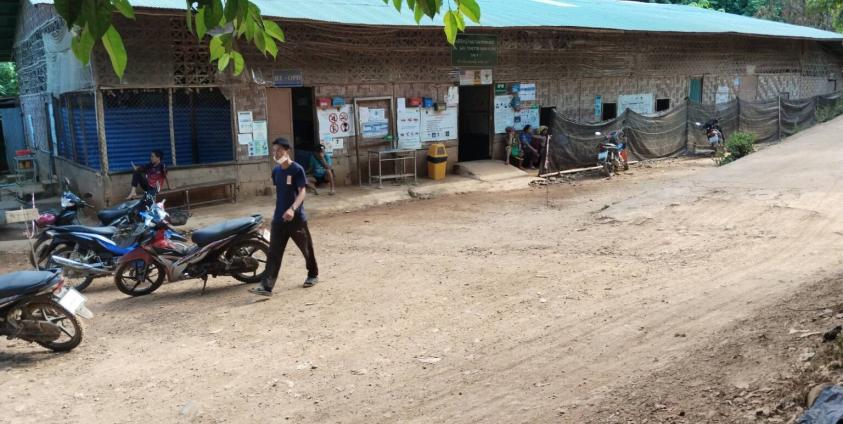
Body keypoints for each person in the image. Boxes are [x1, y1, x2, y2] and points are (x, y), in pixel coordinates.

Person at [249, 137, 319, 297]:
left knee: (306, 249)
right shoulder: (276, 171)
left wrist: (293, 209)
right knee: (273, 252)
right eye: (274, 150)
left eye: (279, 150)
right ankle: (266, 286)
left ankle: (313, 274)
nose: (276, 153)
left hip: (296, 219)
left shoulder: (297, 169)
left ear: (287, 151)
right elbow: (281, 193)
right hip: (279, 219)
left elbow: (302, 191)